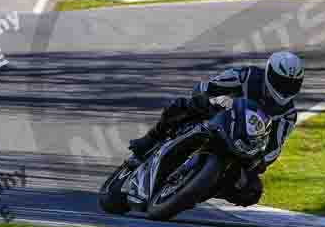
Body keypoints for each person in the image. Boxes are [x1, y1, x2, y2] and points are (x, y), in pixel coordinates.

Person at [129, 51, 305, 207]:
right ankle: (150, 139)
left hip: (243, 144)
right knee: (183, 105)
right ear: (269, 74)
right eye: (281, 82)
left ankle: (200, 189)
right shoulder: (248, 76)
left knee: (252, 191)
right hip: (219, 116)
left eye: (291, 84)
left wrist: (259, 162)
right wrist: (207, 95)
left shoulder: (287, 114)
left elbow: (274, 147)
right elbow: (213, 84)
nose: (285, 88)